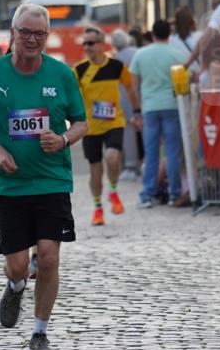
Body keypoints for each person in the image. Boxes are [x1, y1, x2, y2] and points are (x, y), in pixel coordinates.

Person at [0, 3, 87, 350]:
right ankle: (15, 285)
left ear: (47, 36)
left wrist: (63, 139)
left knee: (48, 258)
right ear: (13, 33)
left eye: (39, 33)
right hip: (10, 183)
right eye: (26, 32)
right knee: (19, 264)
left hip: (52, 179)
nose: (32, 39)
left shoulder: (62, 75)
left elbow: (81, 122)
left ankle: (39, 334)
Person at [73, 26, 141, 226]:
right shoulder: (79, 70)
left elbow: (130, 87)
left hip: (114, 122)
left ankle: (113, 190)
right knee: (96, 170)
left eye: (91, 43)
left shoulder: (116, 66)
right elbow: (70, 98)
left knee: (112, 157)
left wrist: (136, 111)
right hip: (90, 127)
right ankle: (98, 208)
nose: (87, 46)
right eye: (84, 43)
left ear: (102, 44)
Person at [130, 19, 186, 209]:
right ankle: (174, 193)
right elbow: (187, 78)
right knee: (172, 152)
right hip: (172, 105)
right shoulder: (177, 54)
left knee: (151, 152)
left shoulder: (141, 54)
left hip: (150, 107)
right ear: (169, 34)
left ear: (152, 34)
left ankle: (147, 194)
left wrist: (137, 109)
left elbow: (134, 85)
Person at [110, 28, 143, 179]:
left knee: (129, 134)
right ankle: (149, 163)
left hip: (124, 101)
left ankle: (131, 166)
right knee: (146, 132)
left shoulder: (115, 59)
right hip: (143, 98)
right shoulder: (139, 52)